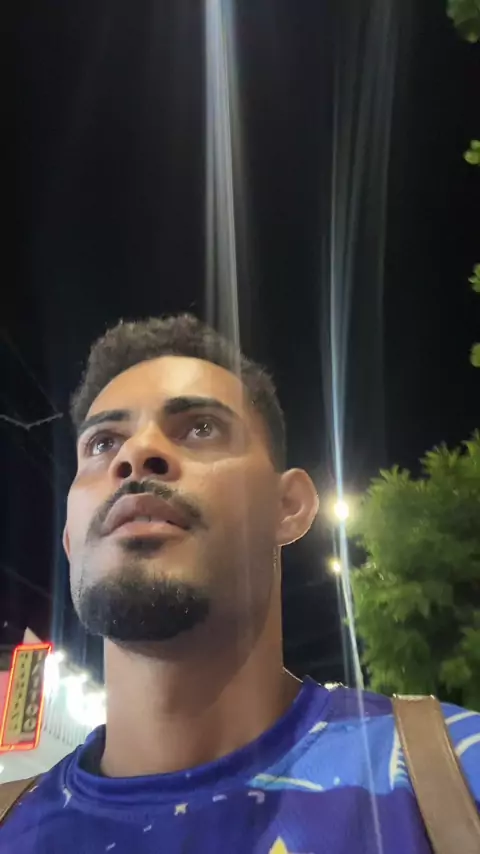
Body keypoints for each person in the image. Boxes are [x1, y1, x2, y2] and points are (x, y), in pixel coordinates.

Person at [1, 314, 479, 854]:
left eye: (200, 427)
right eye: (103, 442)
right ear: (70, 539)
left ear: (288, 506)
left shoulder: (454, 778)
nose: (136, 454)